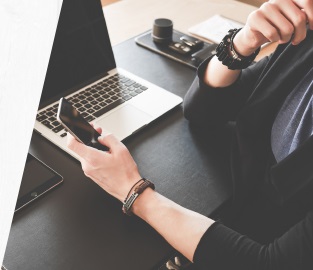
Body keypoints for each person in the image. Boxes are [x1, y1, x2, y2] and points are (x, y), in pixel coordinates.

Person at [67, 0, 313, 269]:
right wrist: (244, 42)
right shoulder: (305, 45)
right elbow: (202, 109)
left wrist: (133, 191)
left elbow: (269, 263)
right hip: (244, 209)